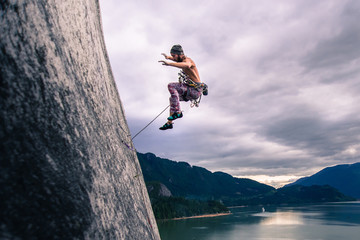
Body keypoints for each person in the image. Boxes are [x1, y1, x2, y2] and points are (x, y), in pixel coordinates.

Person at [158, 44, 203, 130]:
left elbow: (186, 65)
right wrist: (168, 57)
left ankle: (178, 112)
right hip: (190, 91)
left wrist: (170, 63)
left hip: (194, 90)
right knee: (172, 98)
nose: (174, 58)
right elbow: (178, 61)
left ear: (180, 54)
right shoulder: (181, 59)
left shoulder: (188, 60)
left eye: (174, 56)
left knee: (171, 86)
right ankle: (169, 123)